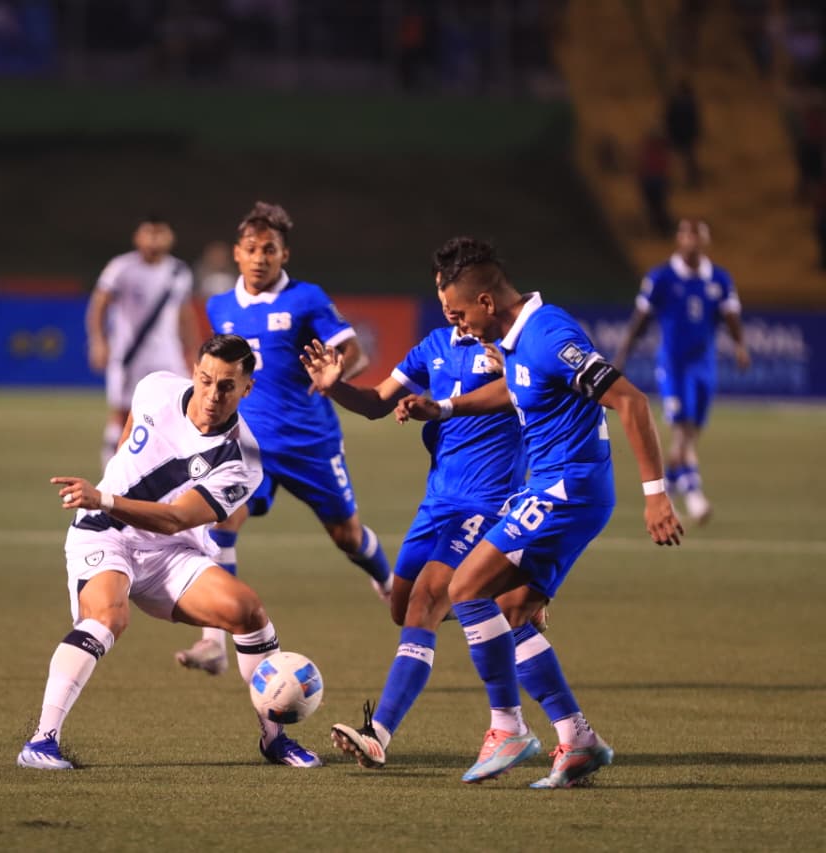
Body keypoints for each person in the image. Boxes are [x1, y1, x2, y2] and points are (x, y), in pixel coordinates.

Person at [396, 237, 684, 789]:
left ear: (485, 301)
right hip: (557, 488)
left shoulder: (550, 335)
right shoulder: (517, 340)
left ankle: (506, 727)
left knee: (466, 588)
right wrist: (449, 406)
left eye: (459, 314)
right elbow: (520, 389)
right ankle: (576, 739)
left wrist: (655, 493)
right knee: (510, 610)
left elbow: (631, 401)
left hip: (566, 489)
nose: (457, 327)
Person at [17, 334, 321, 771]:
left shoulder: (243, 462)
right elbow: (126, 443)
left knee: (248, 612)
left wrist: (103, 497)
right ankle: (42, 741)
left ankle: (274, 738)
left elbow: (177, 519)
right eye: (205, 380)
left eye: (227, 386)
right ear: (194, 372)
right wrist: (106, 502)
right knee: (107, 618)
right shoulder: (155, 386)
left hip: (170, 549)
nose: (212, 394)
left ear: (247, 388)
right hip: (105, 533)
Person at [299, 271, 551, 770]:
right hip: (437, 503)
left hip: (488, 502)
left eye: (454, 300)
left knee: (426, 603)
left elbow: (540, 401)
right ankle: (506, 599)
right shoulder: (434, 346)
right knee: (403, 607)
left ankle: (379, 732)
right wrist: (335, 387)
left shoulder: (512, 346)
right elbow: (375, 403)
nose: (448, 309)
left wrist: (518, 371)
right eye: (441, 298)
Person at [173, 201, 394, 676]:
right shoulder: (220, 306)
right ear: (236, 253)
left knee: (347, 536)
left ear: (284, 254)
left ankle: (389, 582)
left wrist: (337, 374)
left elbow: (351, 351)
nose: (260, 258)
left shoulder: (307, 298)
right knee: (221, 521)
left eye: (269, 249)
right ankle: (214, 640)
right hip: (248, 443)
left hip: (309, 441)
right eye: (251, 249)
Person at [613, 218, 750, 524]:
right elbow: (641, 319)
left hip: (705, 365)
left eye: (697, 236)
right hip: (674, 365)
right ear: (679, 239)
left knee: (690, 434)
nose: (692, 241)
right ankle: (694, 495)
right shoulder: (661, 277)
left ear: (705, 240)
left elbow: (730, 315)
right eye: (687, 235)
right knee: (681, 431)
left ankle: (670, 493)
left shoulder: (719, 278)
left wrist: (740, 345)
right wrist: (622, 354)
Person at [87, 215, 202, 467]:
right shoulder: (121, 268)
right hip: (129, 355)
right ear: (138, 236)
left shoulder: (178, 271)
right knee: (123, 412)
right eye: (149, 233)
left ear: (170, 237)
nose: (154, 239)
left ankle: (173, 466)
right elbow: (99, 305)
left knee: (182, 409)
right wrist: (98, 340)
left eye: (160, 233)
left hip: (167, 354)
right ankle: (112, 469)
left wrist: (194, 349)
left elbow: (184, 314)